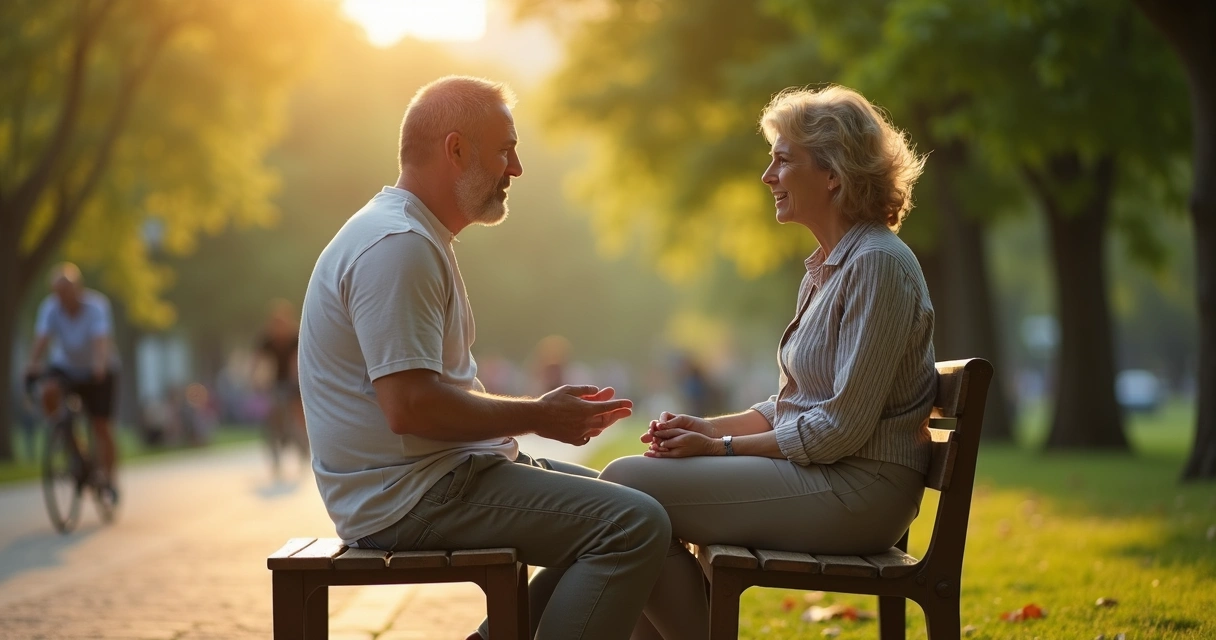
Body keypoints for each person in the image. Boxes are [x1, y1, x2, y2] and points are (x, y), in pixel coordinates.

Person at [297, 75, 671, 640]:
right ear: (455, 149)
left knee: (634, 506)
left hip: (433, 478)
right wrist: (539, 416)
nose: (516, 168)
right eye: (505, 149)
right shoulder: (397, 246)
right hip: (407, 497)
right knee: (633, 527)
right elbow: (411, 408)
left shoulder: (414, 236)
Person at [599, 85, 936, 639]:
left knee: (628, 488)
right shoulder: (828, 268)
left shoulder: (877, 264)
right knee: (636, 501)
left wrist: (721, 447)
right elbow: (793, 404)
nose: (767, 175)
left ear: (833, 173)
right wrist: (708, 428)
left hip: (860, 492)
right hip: (830, 476)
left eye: (783, 159)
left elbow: (839, 427)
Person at [25, 262, 122, 500]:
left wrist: (98, 365)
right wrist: (32, 364)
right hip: (66, 367)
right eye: (57, 293)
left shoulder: (96, 306)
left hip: (98, 370)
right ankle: (66, 438)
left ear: (78, 288)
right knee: (49, 390)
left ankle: (109, 479)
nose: (62, 298)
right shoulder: (50, 308)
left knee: (101, 425)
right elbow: (42, 338)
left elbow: (101, 339)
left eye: (66, 292)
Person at [255, 298, 306, 470]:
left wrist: (296, 381)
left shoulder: (296, 337)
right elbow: (259, 362)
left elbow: (297, 361)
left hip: (294, 381)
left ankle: (303, 447)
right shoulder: (267, 340)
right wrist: (258, 380)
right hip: (275, 382)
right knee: (272, 417)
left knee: (298, 416)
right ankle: (275, 457)